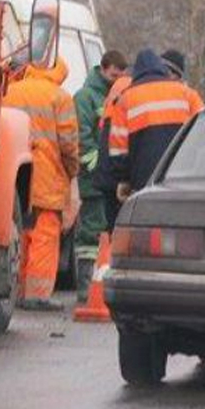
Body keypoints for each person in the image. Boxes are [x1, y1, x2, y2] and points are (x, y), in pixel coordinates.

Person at [4, 56, 79, 311]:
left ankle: (17, 289)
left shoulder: (11, 90)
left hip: (15, 173)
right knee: (45, 236)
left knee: (22, 232)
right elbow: (69, 144)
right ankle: (37, 294)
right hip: (48, 176)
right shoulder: (60, 98)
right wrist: (73, 171)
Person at [108, 48, 204, 202]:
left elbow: (118, 152)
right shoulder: (188, 94)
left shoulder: (125, 99)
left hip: (144, 185)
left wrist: (124, 179)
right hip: (182, 180)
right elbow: (204, 135)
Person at [72, 49, 129, 300]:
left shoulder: (116, 97)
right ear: (103, 69)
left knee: (107, 234)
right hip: (93, 179)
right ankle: (86, 287)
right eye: (113, 75)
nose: (115, 80)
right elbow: (83, 139)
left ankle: (100, 286)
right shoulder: (85, 98)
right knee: (90, 235)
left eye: (119, 76)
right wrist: (99, 167)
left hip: (109, 180)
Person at [94, 71, 132, 231]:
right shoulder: (127, 104)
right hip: (116, 181)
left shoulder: (111, 107)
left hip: (106, 177)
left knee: (110, 227)